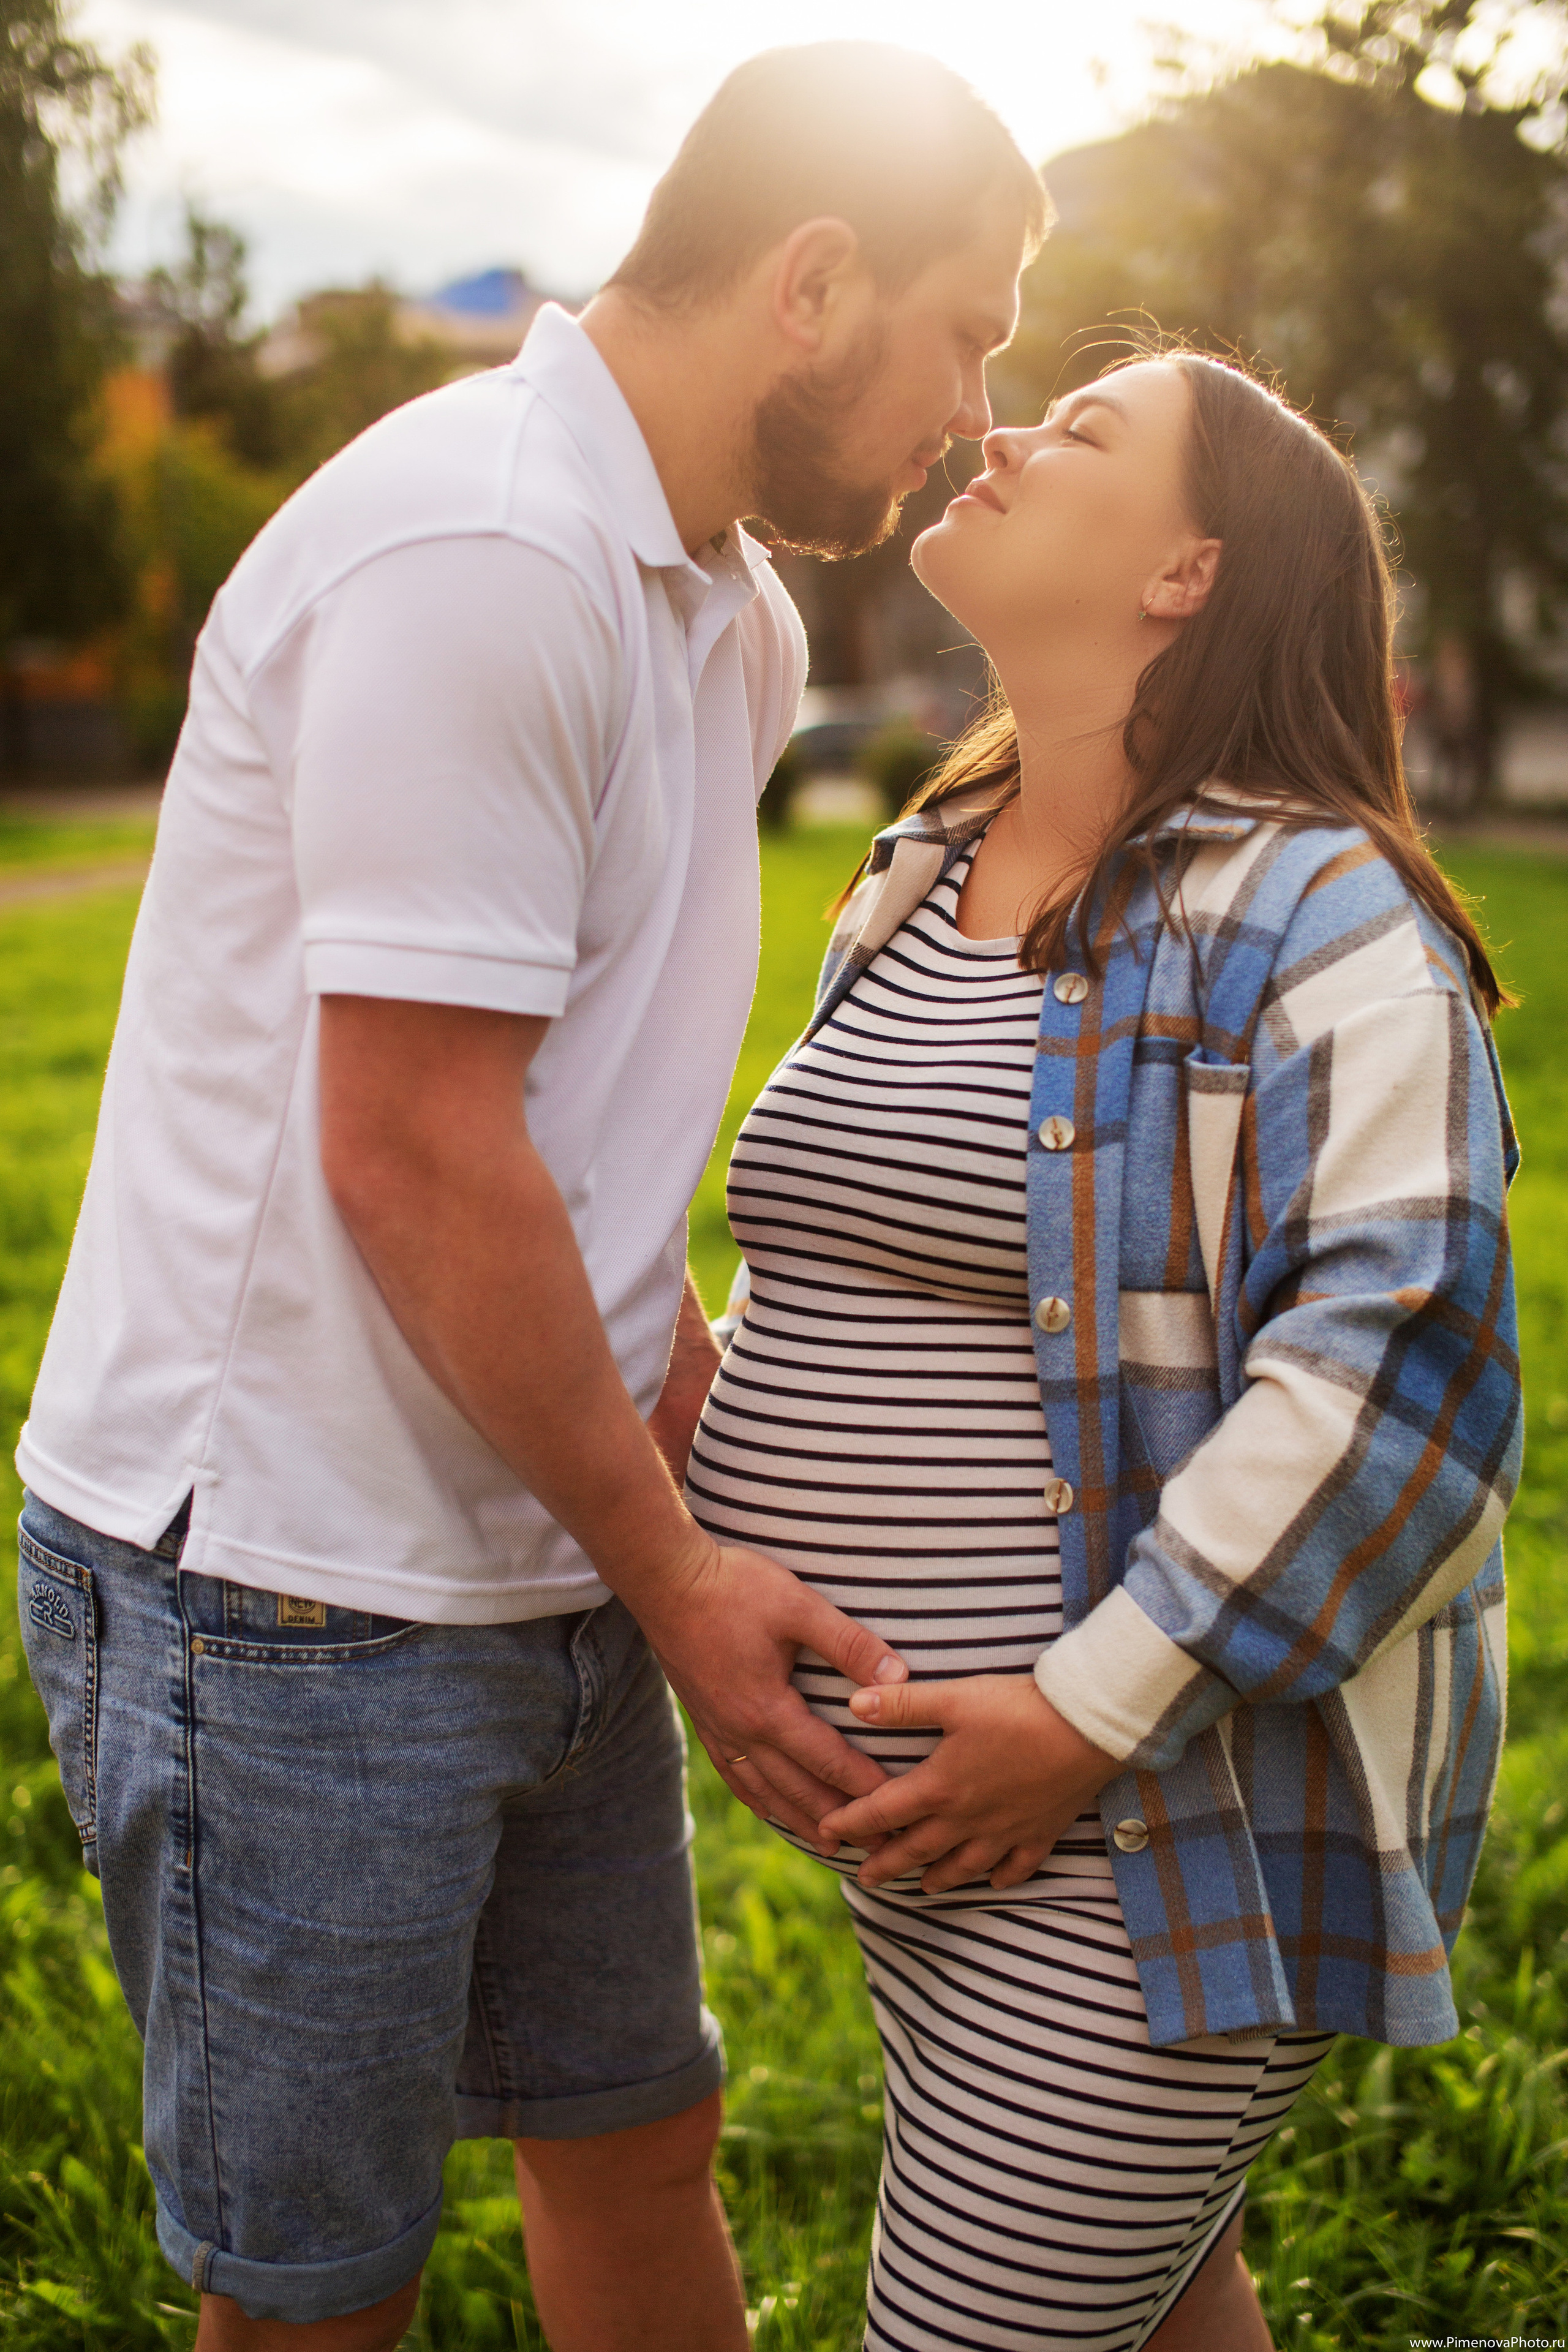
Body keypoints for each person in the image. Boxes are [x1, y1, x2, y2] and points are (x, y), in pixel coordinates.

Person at [13, 43, 1047, 2352]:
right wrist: (680, 1580)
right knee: (319, 2292)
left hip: (547, 1542)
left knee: (634, 2133)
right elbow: (412, 1148)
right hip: (281, 1585)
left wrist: (692, 1502)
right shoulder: (485, 546)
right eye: (967, 331)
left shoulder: (733, 611)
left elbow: (584, 1136)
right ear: (814, 279)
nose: (975, 411)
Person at [689, 345, 1521, 2351]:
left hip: (1141, 1841)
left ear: (1188, 573)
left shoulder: (1319, 917)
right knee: (1163, 2309)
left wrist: (1077, 1716)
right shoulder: (920, 872)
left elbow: (1399, 1375)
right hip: (938, 1819)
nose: (992, 429)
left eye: (1081, 435)